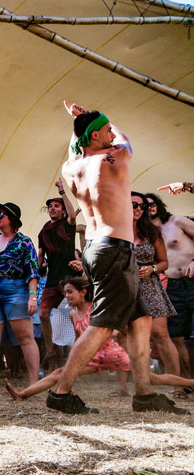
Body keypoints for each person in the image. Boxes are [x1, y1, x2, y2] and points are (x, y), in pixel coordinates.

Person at [49, 101, 184, 414]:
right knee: (104, 326)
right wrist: (99, 118)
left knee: (140, 319)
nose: (112, 133)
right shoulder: (114, 157)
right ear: (96, 136)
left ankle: (145, 394)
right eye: (106, 130)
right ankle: (61, 393)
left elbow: (77, 145)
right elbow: (127, 143)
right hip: (116, 249)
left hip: (96, 248)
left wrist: (80, 121)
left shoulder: (71, 168)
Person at [6, 276, 193, 407]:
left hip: (113, 354)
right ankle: (23, 394)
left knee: (152, 378)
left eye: (70, 292)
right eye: (65, 293)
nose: (67, 297)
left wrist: (115, 335)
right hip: (94, 357)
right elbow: (81, 341)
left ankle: (191, 383)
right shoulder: (72, 314)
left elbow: (117, 328)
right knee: (59, 373)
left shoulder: (96, 308)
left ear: (83, 292)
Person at [0, 202, 40, 392]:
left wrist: (32, 297)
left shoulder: (24, 242)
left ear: (12, 219)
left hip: (16, 290)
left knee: (25, 338)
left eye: (1, 214)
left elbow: (32, 272)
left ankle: (34, 384)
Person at [130, 192, 183, 398]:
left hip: (150, 285)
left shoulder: (151, 232)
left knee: (161, 335)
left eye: (141, 206)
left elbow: (164, 263)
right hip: (126, 287)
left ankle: (178, 387)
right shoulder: (117, 232)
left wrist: (152, 268)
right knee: (133, 336)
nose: (138, 209)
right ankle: (137, 385)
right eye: (133, 204)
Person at [146, 192, 194, 379]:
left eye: (152, 203)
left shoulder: (176, 221)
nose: (149, 207)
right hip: (171, 286)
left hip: (192, 279)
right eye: (143, 205)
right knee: (176, 337)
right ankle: (186, 381)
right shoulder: (145, 234)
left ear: (158, 204)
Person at [37, 179, 78, 371]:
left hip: (70, 277)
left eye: (56, 206)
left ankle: (78, 356)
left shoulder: (67, 223)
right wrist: (40, 265)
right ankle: (52, 350)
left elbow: (72, 214)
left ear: (62, 210)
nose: (52, 208)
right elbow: (40, 255)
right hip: (53, 278)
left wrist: (62, 191)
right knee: (43, 314)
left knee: (75, 316)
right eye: (50, 206)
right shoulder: (43, 231)